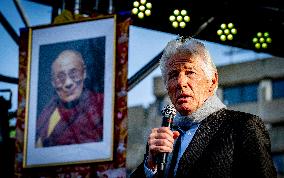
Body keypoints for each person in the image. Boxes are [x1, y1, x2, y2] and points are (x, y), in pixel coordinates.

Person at [130, 37, 277, 178]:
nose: (181, 82)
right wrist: (150, 166)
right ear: (167, 86)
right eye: (173, 75)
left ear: (212, 81)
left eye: (190, 72)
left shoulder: (242, 126)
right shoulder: (164, 137)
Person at [36, 49, 103, 147]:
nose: (68, 83)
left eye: (74, 74)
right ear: (53, 82)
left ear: (84, 73)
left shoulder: (102, 104)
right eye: (60, 77)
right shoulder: (47, 114)